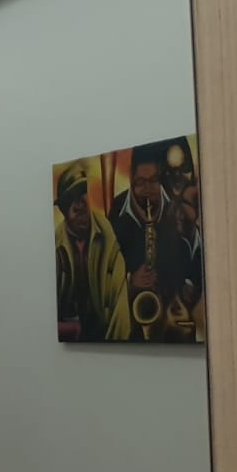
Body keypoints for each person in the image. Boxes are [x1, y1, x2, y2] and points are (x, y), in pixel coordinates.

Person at [108, 138, 204, 341]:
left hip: (173, 321)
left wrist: (187, 286)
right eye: (140, 183)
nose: (148, 190)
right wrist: (131, 282)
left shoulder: (177, 208)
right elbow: (106, 274)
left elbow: (195, 257)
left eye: (153, 181)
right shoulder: (116, 211)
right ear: (131, 180)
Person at [54, 163, 131, 342]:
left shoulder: (107, 237)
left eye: (81, 192)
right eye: (70, 199)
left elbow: (120, 306)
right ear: (63, 209)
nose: (79, 205)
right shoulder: (57, 243)